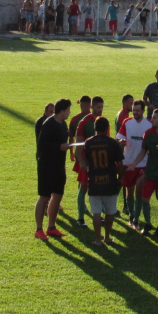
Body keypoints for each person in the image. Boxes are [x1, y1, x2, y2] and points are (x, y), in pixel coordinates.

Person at [126, 108, 158, 235]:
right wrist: (134, 164)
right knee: (145, 199)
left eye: (154, 117)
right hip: (150, 173)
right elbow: (143, 151)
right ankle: (148, 224)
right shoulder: (148, 133)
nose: (152, 119)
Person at [82, 116, 125, 245]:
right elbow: (120, 164)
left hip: (94, 181)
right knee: (110, 211)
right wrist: (121, 178)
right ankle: (107, 237)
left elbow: (85, 162)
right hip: (110, 181)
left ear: (95, 128)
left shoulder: (88, 143)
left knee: (96, 212)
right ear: (107, 128)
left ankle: (97, 239)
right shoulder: (113, 143)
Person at [35, 98, 72, 239]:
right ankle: (39, 229)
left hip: (59, 166)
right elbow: (42, 145)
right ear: (62, 111)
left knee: (57, 195)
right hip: (46, 166)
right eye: (68, 110)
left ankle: (51, 227)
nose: (69, 112)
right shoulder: (48, 124)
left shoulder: (64, 125)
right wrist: (59, 147)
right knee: (44, 197)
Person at [116, 99, 152, 228]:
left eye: (138, 110)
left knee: (139, 191)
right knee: (129, 192)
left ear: (143, 111)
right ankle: (131, 216)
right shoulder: (127, 122)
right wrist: (121, 141)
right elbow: (119, 136)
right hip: (128, 162)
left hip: (142, 163)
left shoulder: (149, 124)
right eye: (134, 110)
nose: (135, 112)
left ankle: (136, 218)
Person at [68, 96, 94, 226]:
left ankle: (82, 205)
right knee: (84, 182)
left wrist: (71, 153)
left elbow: (71, 138)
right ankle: (83, 206)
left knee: (82, 180)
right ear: (90, 105)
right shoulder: (91, 119)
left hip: (80, 154)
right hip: (87, 155)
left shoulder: (74, 119)